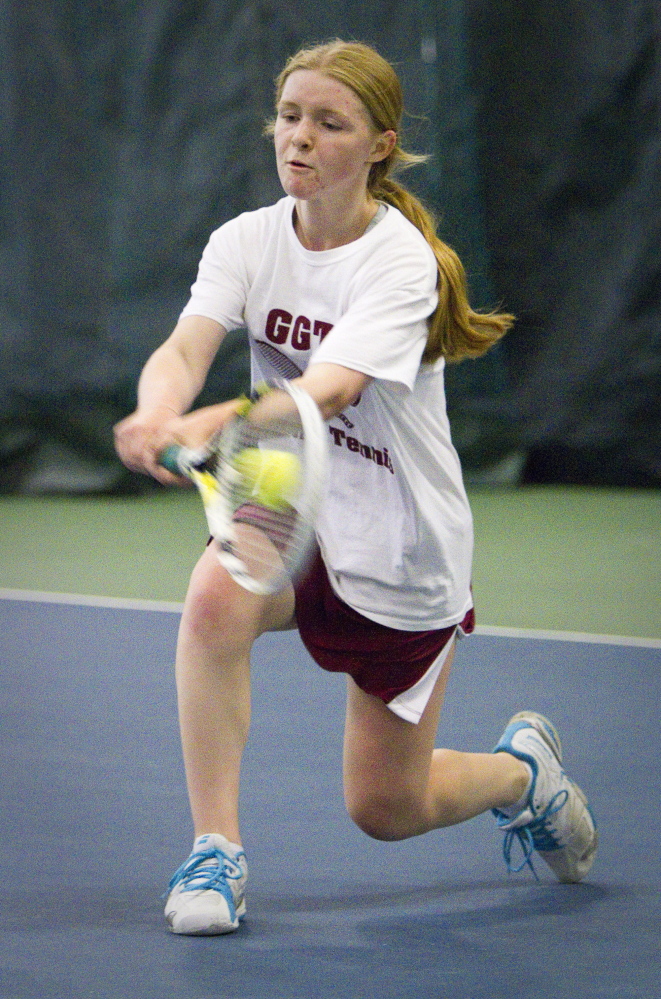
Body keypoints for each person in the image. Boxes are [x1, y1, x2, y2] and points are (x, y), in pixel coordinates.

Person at [114, 39, 597, 936]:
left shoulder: (399, 262)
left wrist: (211, 423)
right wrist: (157, 406)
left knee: (385, 807)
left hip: (402, 544)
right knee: (212, 603)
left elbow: (326, 388)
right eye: (289, 116)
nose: (298, 138)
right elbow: (186, 344)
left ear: (376, 144)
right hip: (290, 498)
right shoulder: (247, 240)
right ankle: (214, 849)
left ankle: (523, 773)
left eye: (327, 123)